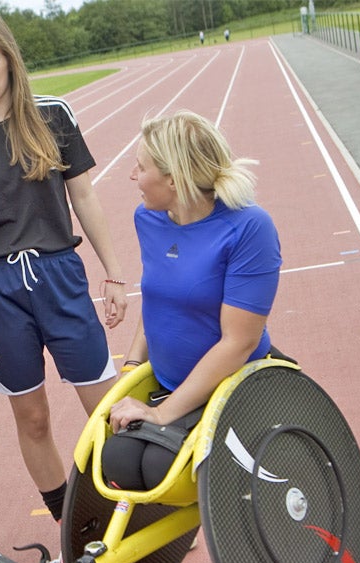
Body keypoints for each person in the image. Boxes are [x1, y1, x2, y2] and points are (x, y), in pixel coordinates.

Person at [0, 13, 127, 523]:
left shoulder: (53, 115)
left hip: (60, 276)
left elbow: (83, 194)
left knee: (103, 407)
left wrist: (114, 272)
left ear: (9, 61)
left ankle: (138, 507)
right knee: (32, 416)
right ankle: (72, 522)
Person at [102, 110, 282, 491]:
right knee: (115, 460)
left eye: (140, 167)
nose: (133, 176)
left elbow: (240, 342)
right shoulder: (148, 219)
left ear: (173, 178)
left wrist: (161, 413)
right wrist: (133, 365)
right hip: (167, 381)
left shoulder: (250, 227)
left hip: (231, 385)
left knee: (159, 467)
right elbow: (158, 299)